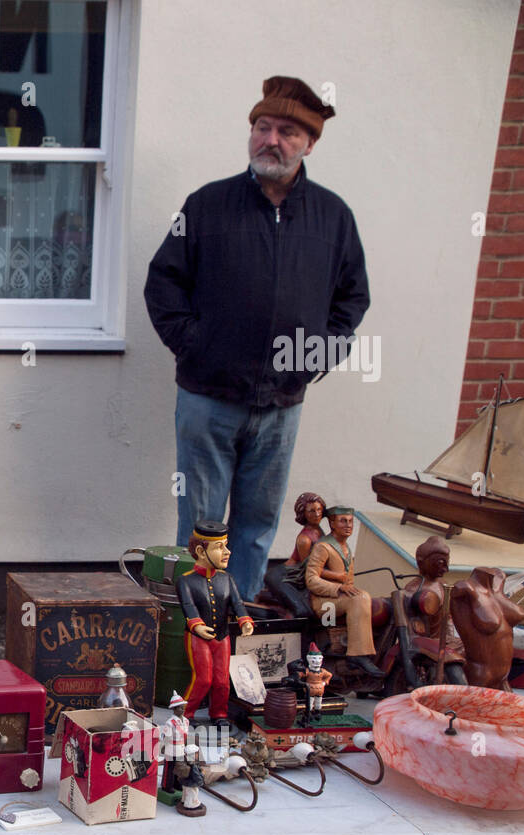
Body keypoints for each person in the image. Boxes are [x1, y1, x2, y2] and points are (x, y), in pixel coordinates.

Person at [145, 76, 370, 602]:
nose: (271, 140)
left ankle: (238, 630)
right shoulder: (206, 206)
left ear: (310, 143)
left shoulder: (333, 217)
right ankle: (195, 630)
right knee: (201, 528)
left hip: (282, 406)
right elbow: (164, 282)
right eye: (263, 127)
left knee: (257, 526)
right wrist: (195, 346)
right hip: (207, 397)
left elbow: (350, 300)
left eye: (287, 131)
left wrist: (315, 358)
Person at [175, 520, 254, 722]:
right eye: (220, 547)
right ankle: (185, 713)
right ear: (201, 551)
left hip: (222, 637)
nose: (227, 552)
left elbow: (237, 603)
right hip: (197, 638)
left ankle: (219, 714)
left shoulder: (227, 578)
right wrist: (197, 626)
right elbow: (188, 606)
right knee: (202, 679)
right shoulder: (186, 580)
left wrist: (244, 620)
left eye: (226, 545)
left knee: (221, 681)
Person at [303, 506, 384, 677]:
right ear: (332, 523)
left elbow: (350, 582)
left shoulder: (345, 548)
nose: (348, 525)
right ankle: (358, 655)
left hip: (338, 599)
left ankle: (367, 648)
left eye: (350, 521)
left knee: (366, 598)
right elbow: (311, 579)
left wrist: (346, 588)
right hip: (323, 602)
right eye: (343, 521)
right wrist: (339, 587)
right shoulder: (323, 547)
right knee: (360, 598)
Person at [401, 536, 466, 685]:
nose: (446, 569)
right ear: (421, 562)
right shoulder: (415, 589)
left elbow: (447, 618)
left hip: (443, 640)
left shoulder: (443, 585)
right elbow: (411, 626)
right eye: (440, 562)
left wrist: (450, 638)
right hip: (424, 643)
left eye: (447, 562)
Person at [286, 492, 327, 566]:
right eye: (312, 511)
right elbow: (308, 568)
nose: (317, 514)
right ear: (303, 513)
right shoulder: (304, 539)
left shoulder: (318, 530)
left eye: (319, 509)